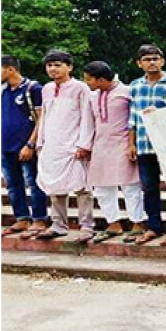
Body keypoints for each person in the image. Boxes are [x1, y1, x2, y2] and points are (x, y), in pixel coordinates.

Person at [34, 50, 95, 242]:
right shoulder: (47, 89)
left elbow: (87, 116)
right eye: (50, 65)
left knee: (82, 187)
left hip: (74, 143)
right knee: (54, 186)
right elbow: (44, 115)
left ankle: (87, 225)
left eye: (57, 65)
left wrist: (84, 143)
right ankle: (58, 225)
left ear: (69, 67)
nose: (53, 69)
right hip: (52, 144)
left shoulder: (80, 88)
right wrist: (40, 141)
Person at [83, 61, 145, 243]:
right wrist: (86, 145)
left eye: (89, 79)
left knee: (130, 185)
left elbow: (135, 118)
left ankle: (137, 222)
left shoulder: (126, 92)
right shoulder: (93, 96)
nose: (87, 83)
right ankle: (113, 223)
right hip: (100, 145)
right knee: (102, 188)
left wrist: (133, 144)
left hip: (123, 144)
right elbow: (89, 123)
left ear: (101, 79)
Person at [128, 44, 166, 245]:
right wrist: (130, 144)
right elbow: (131, 117)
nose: (152, 62)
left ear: (163, 61)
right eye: (147, 59)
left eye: (155, 58)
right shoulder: (134, 86)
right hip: (143, 142)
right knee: (149, 187)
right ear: (139, 63)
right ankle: (154, 226)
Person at [1, 55, 48, 238]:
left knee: (35, 182)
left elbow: (41, 118)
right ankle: (22, 217)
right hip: (5, 146)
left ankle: (39, 218)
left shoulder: (32, 89)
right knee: (13, 185)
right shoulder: (2, 91)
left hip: (27, 145)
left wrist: (31, 143)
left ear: (10, 69)